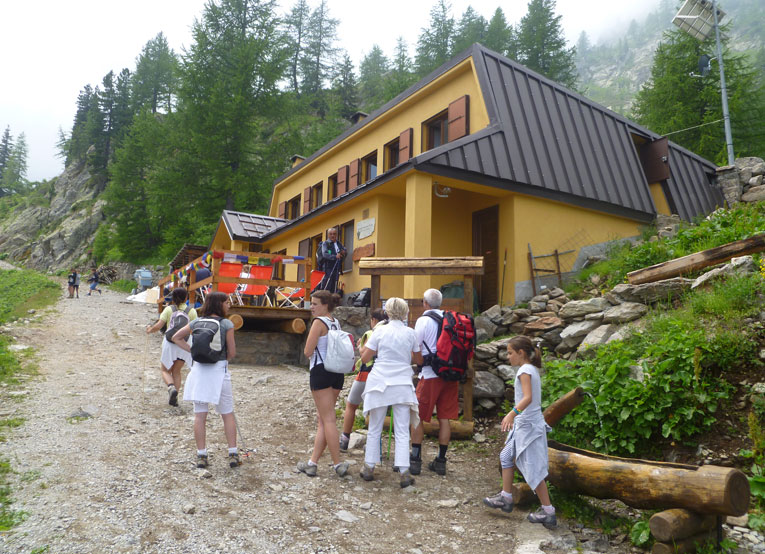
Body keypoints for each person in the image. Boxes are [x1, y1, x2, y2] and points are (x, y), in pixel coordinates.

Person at [483, 336, 556, 529]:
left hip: (528, 426)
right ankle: (506, 497)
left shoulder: (525, 370)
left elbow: (528, 398)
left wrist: (511, 414)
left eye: (510, 353)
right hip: (524, 425)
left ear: (521, 353)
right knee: (506, 456)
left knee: (533, 469)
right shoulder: (530, 369)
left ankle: (548, 511)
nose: (508, 357)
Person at [171, 292, 241, 469]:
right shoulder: (226, 324)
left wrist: (192, 350)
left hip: (199, 371)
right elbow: (232, 352)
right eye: (226, 302)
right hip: (219, 371)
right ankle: (233, 452)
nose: (229, 305)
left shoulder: (196, 322)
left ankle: (201, 455)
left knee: (200, 415)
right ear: (219, 304)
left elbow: (175, 337)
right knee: (227, 413)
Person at [358, 297, 422, 487]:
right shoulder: (411, 333)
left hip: (379, 380)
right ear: (405, 313)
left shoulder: (379, 331)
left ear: (386, 312)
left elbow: (365, 357)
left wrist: (361, 346)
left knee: (375, 426)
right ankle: (403, 471)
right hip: (401, 382)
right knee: (402, 429)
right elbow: (418, 359)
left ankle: (369, 467)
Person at [297, 290, 350, 478]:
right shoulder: (336, 322)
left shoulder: (318, 323)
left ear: (325, 305)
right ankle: (312, 463)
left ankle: (337, 464)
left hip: (321, 371)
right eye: (311, 303)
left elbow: (307, 351)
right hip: (337, 372)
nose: (311, 307)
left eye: (315, 303)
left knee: (328, 420)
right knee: (324, 419)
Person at [410, 288, 458, 476]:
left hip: (430, 375)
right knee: (444, 418)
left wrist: (420, 363)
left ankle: (415, 459)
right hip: (450, 375)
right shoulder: (451, 319)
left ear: (425, 303)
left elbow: (416, 347)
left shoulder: (423, 320)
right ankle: (441, 461)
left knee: (417, 416)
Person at [339, 308, 388, 451]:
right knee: (375, 410)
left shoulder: (370, 333)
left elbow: (364, 354)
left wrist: (360, 346)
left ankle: (345, 439)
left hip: (366, 374)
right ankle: (375, 443)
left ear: (374, 320)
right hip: (381, 375)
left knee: (351, 405)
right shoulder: (389, 334)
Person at [145, 287, 198, 406]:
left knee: (165, 370)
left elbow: (159, 325)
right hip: (184, 343)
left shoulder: (169, 309)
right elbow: (195, 329)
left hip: (170, 342)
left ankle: (171, 388)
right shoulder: (192, 311)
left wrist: (150, 330)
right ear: (186, 298)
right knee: (177, 371)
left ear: (173, 298)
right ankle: (175, 398)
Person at [314, 227, 346, 294]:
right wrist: (335, 257)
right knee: (327, 284)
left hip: (337, 267)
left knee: (334, 284)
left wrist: (343, 253)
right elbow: (325, 254)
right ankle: (324, 300)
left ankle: (332, 301)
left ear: (336, 235)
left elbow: (344, 251)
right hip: (327, 268)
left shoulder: (339, 243)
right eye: (330, 234)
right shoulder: (325, 243)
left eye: (334, 234)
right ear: (328, 235)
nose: (332, 235)